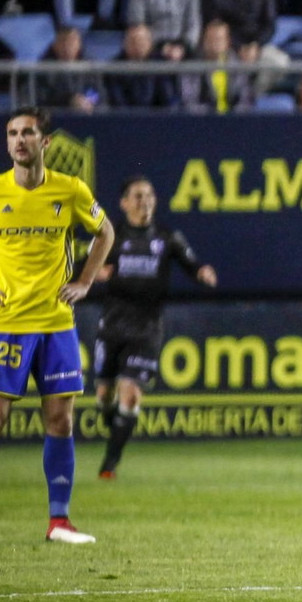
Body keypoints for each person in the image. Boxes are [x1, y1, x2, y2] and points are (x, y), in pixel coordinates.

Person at [0, 107, 116, 547]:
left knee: (60, 419)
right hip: (6, 321)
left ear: (45, 142)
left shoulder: (70, 190)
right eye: (12, 133)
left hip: (55, 321)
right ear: (7, 143)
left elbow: (105, 232)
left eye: (27, 132)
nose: (19, 140)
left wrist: (84, 281)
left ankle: (59, 521)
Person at [93, 175, 217, 478]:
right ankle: (116, 431)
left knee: (131, 394)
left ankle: (110, 463)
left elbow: (192, 264)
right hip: (112, 324)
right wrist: (97, 272)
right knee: (104, 395)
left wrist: (202, 272)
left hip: (146, 326)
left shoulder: (167, 237)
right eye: (137, 196)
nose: (144, 201)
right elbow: (88, 267)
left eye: (149, 196)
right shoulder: (112, 236)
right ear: (123, 204)